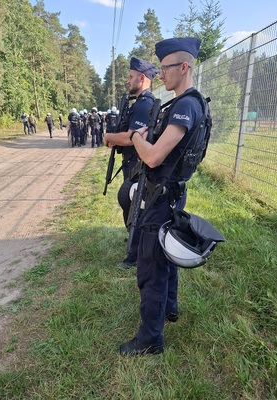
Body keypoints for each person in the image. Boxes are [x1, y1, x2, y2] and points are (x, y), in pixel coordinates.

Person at [105, 37, 206, 356]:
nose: (161, 73)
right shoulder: (189, 103)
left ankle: (150, 338)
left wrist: (135, 138)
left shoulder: (185, 106)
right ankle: (170, 308)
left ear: (184, 67)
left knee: (150, 268)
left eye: (166, 68)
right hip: (172, 193)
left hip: (161, 196)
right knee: (167, 253)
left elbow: (152, 157)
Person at [104, 57, 158, 268]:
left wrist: (109, 137)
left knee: (135, 205)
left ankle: (134, 254)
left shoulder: (144, 105)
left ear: (142, 78)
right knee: (130, 202)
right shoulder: (140, 103)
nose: (128, 81)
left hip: (138, 165)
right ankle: (134, 242)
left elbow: (131, 137)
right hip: (132, 163)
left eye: (130, 77)